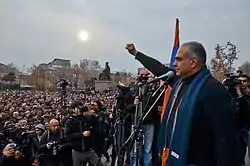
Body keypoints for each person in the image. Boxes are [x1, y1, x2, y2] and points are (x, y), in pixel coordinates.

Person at [126, 42, 238, 166]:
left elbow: (225, 142)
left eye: (179, 60)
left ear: (193, 62)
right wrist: (136, 54)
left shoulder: (213, 90)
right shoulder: (179, 83)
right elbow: (159, 68)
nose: (174, 64)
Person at [65, 101, 103, 166]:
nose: (80, 109)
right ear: (73, 110)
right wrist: (81, 134)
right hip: (77, 151)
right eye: (78, 108)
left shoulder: (86, 118)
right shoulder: (69, 122)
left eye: (81, 107)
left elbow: (97, 125)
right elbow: (68, 137)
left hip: (88, 150)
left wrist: (90, 112)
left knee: (99, 164)